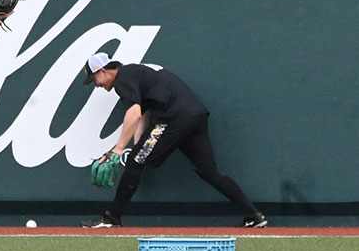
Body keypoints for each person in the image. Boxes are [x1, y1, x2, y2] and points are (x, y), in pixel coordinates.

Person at [80, 52, 267, 228]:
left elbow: (134, 113)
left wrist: (118, 149)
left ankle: (112, 218)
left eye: (94, 79)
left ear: (103, 70)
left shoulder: (122, 79)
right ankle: (254, 215)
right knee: (209, 172)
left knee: (135, 161)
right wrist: (140, 147)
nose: (97, 85)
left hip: (174, 118)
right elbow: (144, 114)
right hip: (195, 115)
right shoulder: (135, 72)